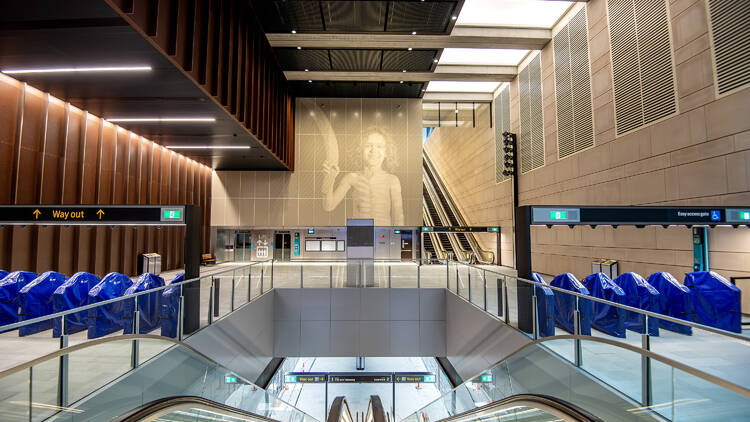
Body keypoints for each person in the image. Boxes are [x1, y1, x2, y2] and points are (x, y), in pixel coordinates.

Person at [321, 127, 405, 226]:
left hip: (382, 236)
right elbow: (328, 206)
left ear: (386, 152)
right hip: (358, 235)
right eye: (368, 145)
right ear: (360, 150)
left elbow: (398, 218)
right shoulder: (352, 178)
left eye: (379, 146)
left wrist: (398, 239)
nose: (373, 150)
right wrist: (329, 178)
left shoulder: (392, 180)